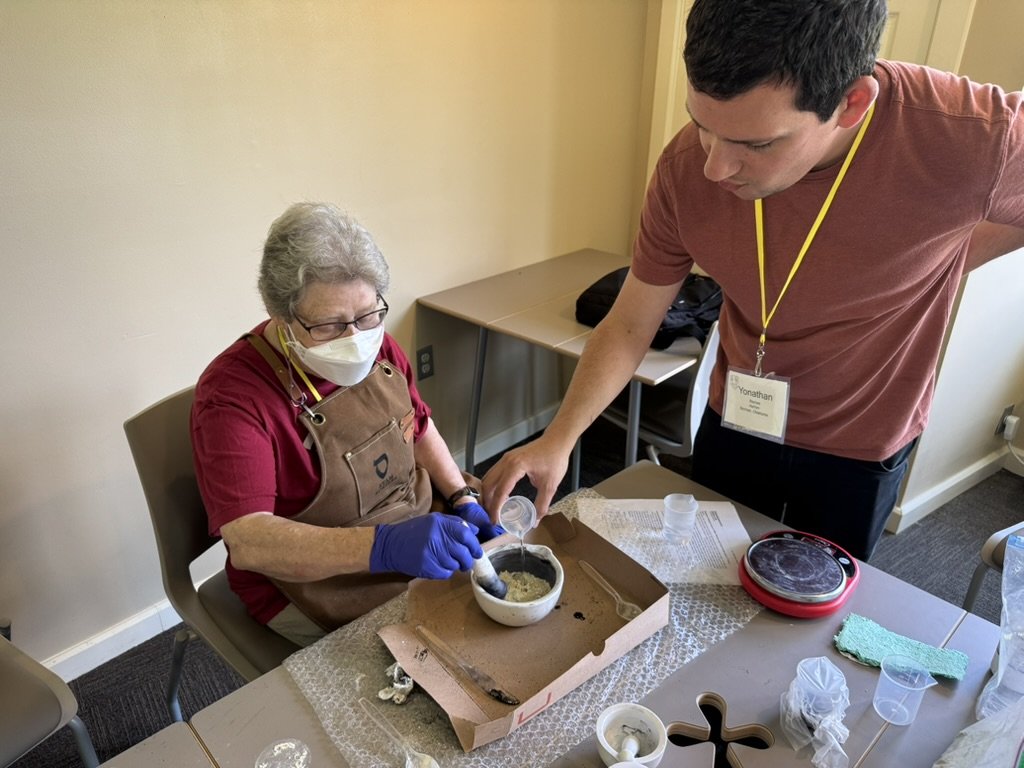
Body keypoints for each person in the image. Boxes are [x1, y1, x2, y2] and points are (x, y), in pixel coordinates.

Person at [483, 0, 1024, 560]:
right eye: (702, 126)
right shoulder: (684, 171)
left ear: (851, 103)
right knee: (711, 579)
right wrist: (559, 438)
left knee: (814, 614)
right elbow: (627, 326)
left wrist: (947, 256)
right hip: (736, 416)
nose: (715, 168)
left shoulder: (964, 134)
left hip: (860, 442)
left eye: (757, 144)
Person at [191, 202, 501, 646]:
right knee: (437, 665)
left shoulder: (380, 345)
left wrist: (462, 496)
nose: (357, 339)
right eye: (331, 325)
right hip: (312, 583)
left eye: (368, 314)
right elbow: (250, 542)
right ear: (282, 316)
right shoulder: (232, 397)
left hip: (412, 519)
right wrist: (383, 547)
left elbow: (419, 429)